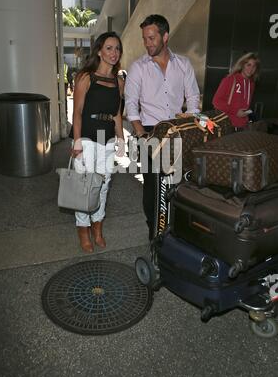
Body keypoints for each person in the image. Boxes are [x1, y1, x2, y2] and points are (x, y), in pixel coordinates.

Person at [125, 14, 200, 240]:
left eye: (151, 38)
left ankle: (176, 232)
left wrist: (192, 120)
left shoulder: (184, 64)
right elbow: (131, 103)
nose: (147, 43)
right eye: (144, 39)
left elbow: (194, 98)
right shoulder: (138, 67)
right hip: (151, 132)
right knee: (153, 188)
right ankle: (154, 235)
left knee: (179, 184)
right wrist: (141, 133)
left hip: (178, 132)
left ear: (165, 36)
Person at [71, 32, 125, 253]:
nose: (114, 53)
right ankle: (83, 231)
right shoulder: (85, 77)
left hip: (108, 139)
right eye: (110, 48)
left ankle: (97, 229)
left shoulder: (119, 81)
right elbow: (77, 113)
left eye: (118, 49)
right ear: (100, 51)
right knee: (85, 188)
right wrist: (76, 141)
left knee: (103, 186)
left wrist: (121, 138)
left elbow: (118, 113)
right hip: (87, 136)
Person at [212, 52, 260, 131]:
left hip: (244, 126)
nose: (251, 69)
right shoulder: (230, 79)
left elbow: (245, 105)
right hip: (227, 126)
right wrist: (236, 111)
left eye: (254, 66)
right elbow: (216, 101)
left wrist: (247, 114)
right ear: (242, 65)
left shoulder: (251, 84)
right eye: (248, 65)